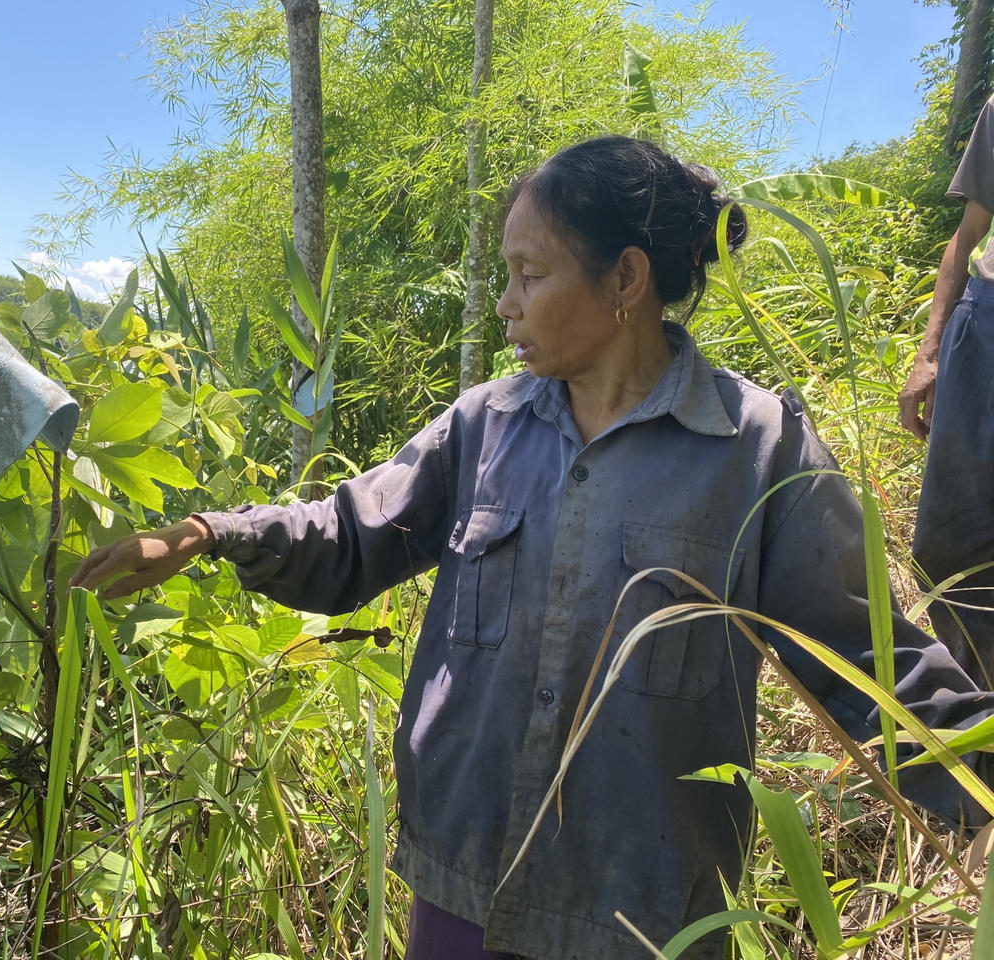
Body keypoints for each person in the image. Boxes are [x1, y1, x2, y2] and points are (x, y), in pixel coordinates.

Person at [72, 135, 994, 960]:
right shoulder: (485, 426)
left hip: (642, 914)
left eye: (530, 274)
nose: (506, 304)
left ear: (625, 281)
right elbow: (353, 534)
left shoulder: (759, 450)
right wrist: (204, 533)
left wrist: (979, 782)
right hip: (465, 886)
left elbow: (866, 655)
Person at [899, 92, 994, 688]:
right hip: (986, 324)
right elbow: (968, 233)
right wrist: (929, 352)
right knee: (950, 544)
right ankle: (979, 724)